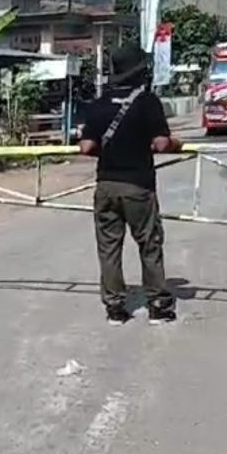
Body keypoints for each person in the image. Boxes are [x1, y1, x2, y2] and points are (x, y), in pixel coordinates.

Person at [79, 43, 182, 326]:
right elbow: (161, 143)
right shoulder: (147, 101)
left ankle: (114, 308)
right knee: (149, 244)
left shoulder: (98, 104)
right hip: (138, 186)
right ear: (140, 71)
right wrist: (176, 144)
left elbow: (86, 146)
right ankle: (158, 306)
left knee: (109, 247)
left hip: (106, 185)